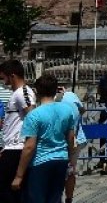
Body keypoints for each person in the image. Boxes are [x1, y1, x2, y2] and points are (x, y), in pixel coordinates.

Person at [11, 74, 78, 203]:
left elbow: (29, 146)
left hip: (40, 162)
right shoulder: (67, 110)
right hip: (61, 159)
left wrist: (19, 175)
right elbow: (71, 138)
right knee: (55, 198)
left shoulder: (34, 115)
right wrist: (70, 158)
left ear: (37, 91)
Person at [1, 59, 34, 203]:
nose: (3, 82)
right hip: (10, 147)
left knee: (8, 191)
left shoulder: (23, 92)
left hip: (17, 149)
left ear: (12, 76)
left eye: (3, 78)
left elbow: (32, 117)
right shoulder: (16, 93)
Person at [55, 87, 86, 203]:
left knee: (59, 170)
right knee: (70, 170)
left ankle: (59, 198)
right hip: (76, 137)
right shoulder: (71, 95)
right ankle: (69, 199)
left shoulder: (50, 100)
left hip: (62, 139)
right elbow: (82, 110)